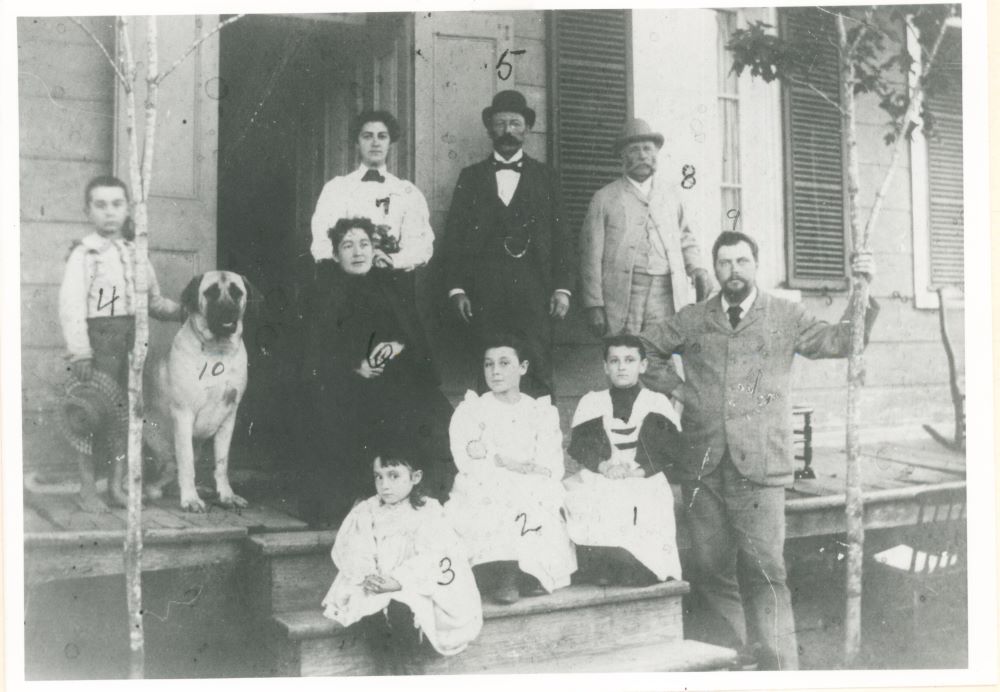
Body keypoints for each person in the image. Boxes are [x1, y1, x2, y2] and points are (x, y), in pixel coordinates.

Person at [638, 230, 879, 671]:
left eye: (742, 261)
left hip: (761, 466)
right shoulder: (692, 318)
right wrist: (678, 388)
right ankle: (749, 654)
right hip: (703, 464)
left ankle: (783, 670)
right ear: (715, 269)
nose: (734, 271)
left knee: (768, 573)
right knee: (711, 570)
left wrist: (864, 288)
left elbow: (841, 341)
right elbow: (645, 349)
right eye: (725, 263)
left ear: (756, 264)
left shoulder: (785, 315)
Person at [297, 217, 455, 526]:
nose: (357, 252)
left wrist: (397, 346)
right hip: (342, 385)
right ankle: (362, 497)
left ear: (374, 249)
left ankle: (417, 496)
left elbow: (413, 339)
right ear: (335, 254)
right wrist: (354, 366)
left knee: (432, 414)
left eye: (364, 244)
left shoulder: (389, 288)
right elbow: (313, 352)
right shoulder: (322, 294)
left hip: (394, 382)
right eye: (348, 245)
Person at [58, 175, 184, 508]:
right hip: (99, 345)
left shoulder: (135, 254)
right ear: (88, 211)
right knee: (90, 413)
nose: (109, 213)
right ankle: (87, 487)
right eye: (100, 205)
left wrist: (185, 311)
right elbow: (71, 306)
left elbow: (153, 301)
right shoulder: (85, 255)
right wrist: (81, 352)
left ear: (128, 209)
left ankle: (116, 485)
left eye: (116, 204)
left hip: (132, 344)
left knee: (125, 417)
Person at [440, 90, 575, 398]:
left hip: (534, 290)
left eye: (515, 123)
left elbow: (562, 237)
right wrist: (457, 289)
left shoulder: (546, 178)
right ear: (490, 129)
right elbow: (454, 237)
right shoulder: (471, 177)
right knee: (489, 366)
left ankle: (541, 439)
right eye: (501, 124)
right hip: (484, 292)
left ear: (526, 129)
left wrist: (563, 288)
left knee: (537, 364)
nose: (508, 132)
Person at [322, 447, 483, 673]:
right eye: (379, 477)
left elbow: (432, 555)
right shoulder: (367, 510)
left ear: (415, 477)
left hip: (416, 581)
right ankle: (386, 667)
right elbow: (355, 546)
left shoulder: (429, 510)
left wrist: (399, 580)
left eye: (394, 476)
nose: (384, 485)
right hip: (376, 580)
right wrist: (368, 574)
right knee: (369, 609)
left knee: (403, 608)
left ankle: (408, 666)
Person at [445, 335, 577, 604]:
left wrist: (515, 466)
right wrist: (512, 469)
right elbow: (471, 459)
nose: (495, 371)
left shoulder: (539, 411)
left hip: (531, 483)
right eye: (489, 364)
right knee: (496, 498)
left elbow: (550, 465)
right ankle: (504, 574)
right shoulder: (473, 410)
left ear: (523, 367)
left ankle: (526, 572)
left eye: (505, 363)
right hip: (486, 483)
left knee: (533, 499)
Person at [563, 334, 683, 587]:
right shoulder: (592, 402)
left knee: (642, 496)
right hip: (603, 471)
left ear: (643, 366)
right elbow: (582, 446)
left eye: (629, 360)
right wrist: (604, 466)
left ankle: (638, 565)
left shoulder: (656, 402)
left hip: (643, 473)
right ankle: (605, 562)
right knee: (589, 493)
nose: (622, 367)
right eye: (614, 360)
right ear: (605, 367)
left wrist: (639, 471)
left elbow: (668, 450)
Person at [579, 118, 711, 340]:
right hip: (623, 293)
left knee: (661, 350)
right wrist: (594, 304)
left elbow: (686, 238)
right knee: (625, 351)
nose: (642, 156)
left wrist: (697, 268)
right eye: (634, 150)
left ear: (656, 155)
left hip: (666, 291)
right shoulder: (604, 198)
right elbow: (590, 256)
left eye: (648, 149)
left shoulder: (671, 195)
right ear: (622, 156)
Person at [310, 110, 433, 274]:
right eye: (367, 136)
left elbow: (420, 244)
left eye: (382, 136)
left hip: (389, 281)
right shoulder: (337, 188)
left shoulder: (407, 192)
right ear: (357, 142)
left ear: (390, 142)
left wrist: (392, 260)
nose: (375, 143)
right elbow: (322, 240)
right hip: (344, 280)